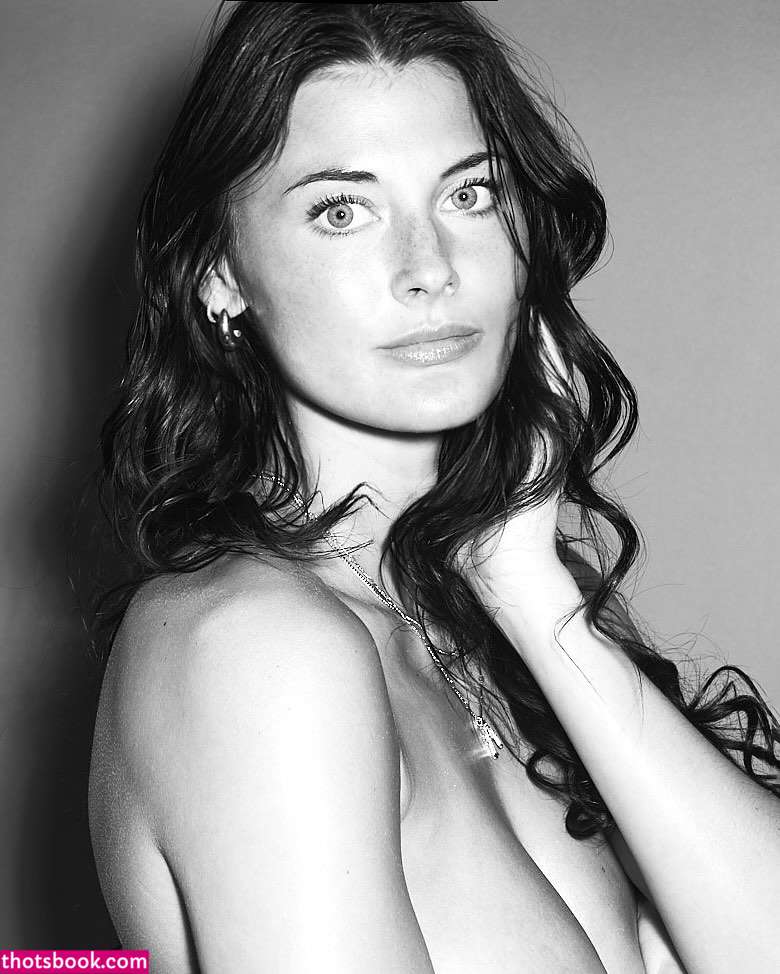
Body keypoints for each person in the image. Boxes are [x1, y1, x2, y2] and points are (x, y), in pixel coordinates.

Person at [87, 3, 780, 972]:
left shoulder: (490, 619)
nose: (431, 269)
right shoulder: (257, 647)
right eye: (342, 210)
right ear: (219, 274)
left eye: (470, 194)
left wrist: (531, 594)